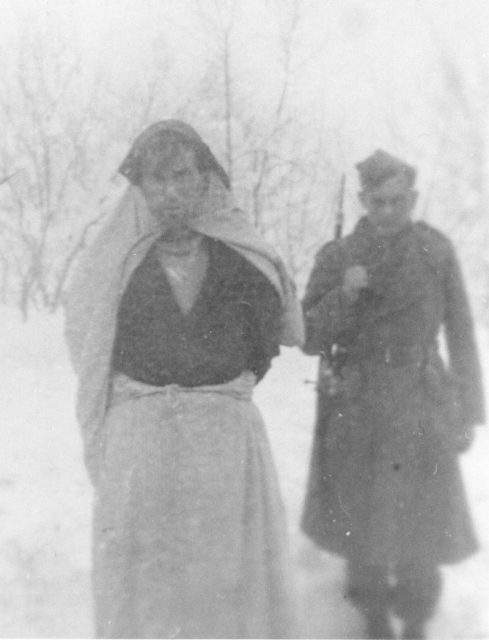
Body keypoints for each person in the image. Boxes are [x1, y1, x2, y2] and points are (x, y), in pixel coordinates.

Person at [64, 120, 304, 638]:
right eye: (155, 179)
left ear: (204, 178)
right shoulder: (116, 263)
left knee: (225, 580)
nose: (169, 190)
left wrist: (210, 394)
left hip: (224, 444)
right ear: (141, 187)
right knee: (149, 585)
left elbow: (266, 341)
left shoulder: (243, 259)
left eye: (181, 174)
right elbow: (87, 339)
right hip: (142, 444)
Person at [301, 149, 485, 640]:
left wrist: (469, 409)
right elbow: (309, 336)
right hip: (358, 404)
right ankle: (374, 617)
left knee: (422, 517)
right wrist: (346, 292)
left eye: (397, 201)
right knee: (363, 520)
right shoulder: (337, 256)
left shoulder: (436, 251)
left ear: (413, 199)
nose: (387, 212)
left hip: (422, 400)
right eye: (377, 202)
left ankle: (418, 619)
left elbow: (462, 333)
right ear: (363, 200)